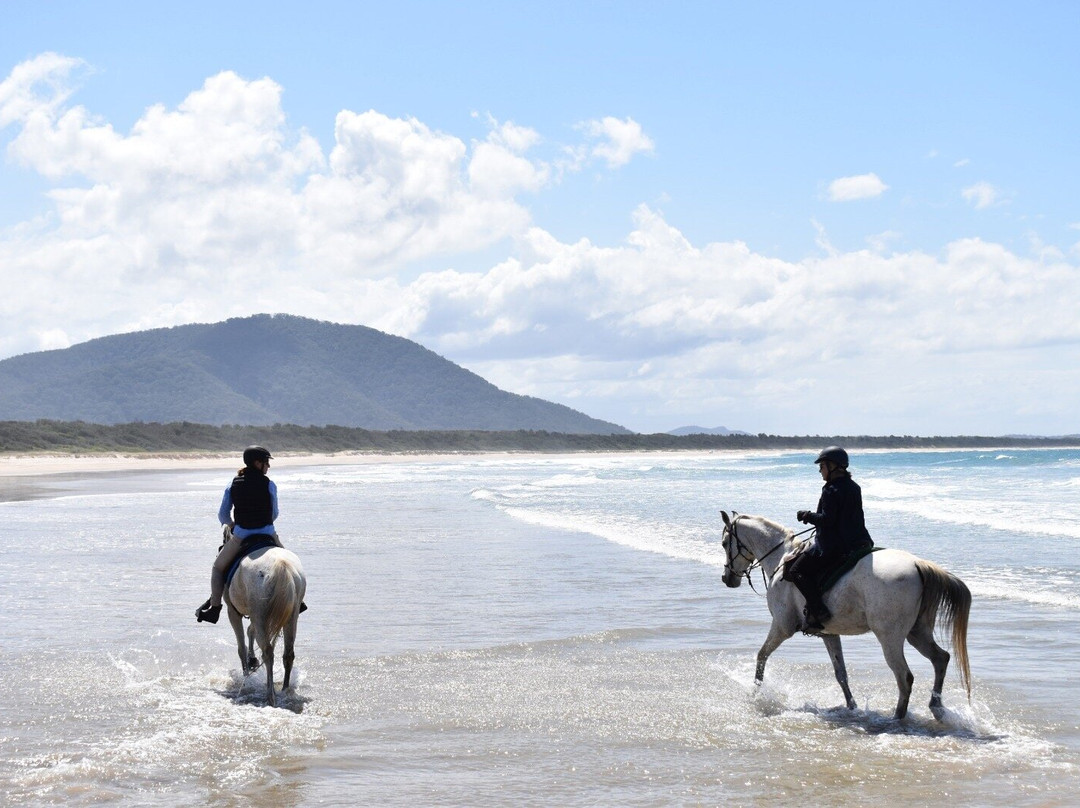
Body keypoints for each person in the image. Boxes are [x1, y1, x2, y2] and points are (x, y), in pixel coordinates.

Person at [788, 446, 874, 632]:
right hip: (859, 542)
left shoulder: (830, 490)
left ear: (833, 466)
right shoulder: (854, 487)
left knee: (796, 571)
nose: (820, 470)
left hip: (834, 547)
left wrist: (807, 516)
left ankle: (819, 612)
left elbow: (827, 520)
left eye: (822, 466)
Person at [195, 445, 282, 624]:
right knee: (290, 563)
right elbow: (274, 514)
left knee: (217, 568)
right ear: (257, 463)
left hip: (241, 536)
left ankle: (215, 608)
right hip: (269, 534)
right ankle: (298, 601)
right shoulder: (270, 484)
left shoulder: (232, 484)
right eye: (266, 462)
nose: (268, 466)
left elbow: (223, 515)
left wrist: (232, 524)